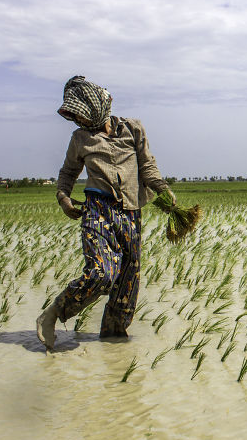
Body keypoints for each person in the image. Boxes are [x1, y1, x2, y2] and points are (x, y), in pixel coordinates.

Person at [35, 76, 173, 350]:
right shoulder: (80, 139)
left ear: (97, 106)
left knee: (127, 285)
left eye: (82, 115)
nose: (80, 121)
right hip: (98, 211)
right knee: (101, 274)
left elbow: (147, 166)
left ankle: (113, 347)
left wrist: (162, 188)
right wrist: (63, 198)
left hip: (131, 213)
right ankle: (54, 312)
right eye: (76, 117)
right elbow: (68, 174)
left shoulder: (133, 129)